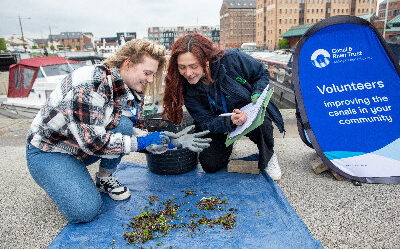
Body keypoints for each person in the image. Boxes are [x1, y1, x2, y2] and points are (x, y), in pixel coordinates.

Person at [26, 39, 211, 223]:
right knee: (84, 211)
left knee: (123, 125)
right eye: (147, 73)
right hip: (51, 151)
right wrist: (142, 142)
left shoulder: (130, 89)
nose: (150, 80)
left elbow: (133, 131)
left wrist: (171, 142)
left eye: (153, 74)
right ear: (128, 64)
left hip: (82, 147)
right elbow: (94, 143)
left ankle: (103, 178)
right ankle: (58, 177)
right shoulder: (89, 86)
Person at [163, 34, 285, 180]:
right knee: (210, 165)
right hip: (220, 121)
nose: (188, 73)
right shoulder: (187, 88)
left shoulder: (232, 58)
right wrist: (230, 122)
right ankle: (229, 141)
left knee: (263, 121)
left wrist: (257, 93)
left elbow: (262, 74)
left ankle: (269, 155)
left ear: (206, 61)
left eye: (193, 66)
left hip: (248, 110)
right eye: (182, 67)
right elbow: (205, 121)